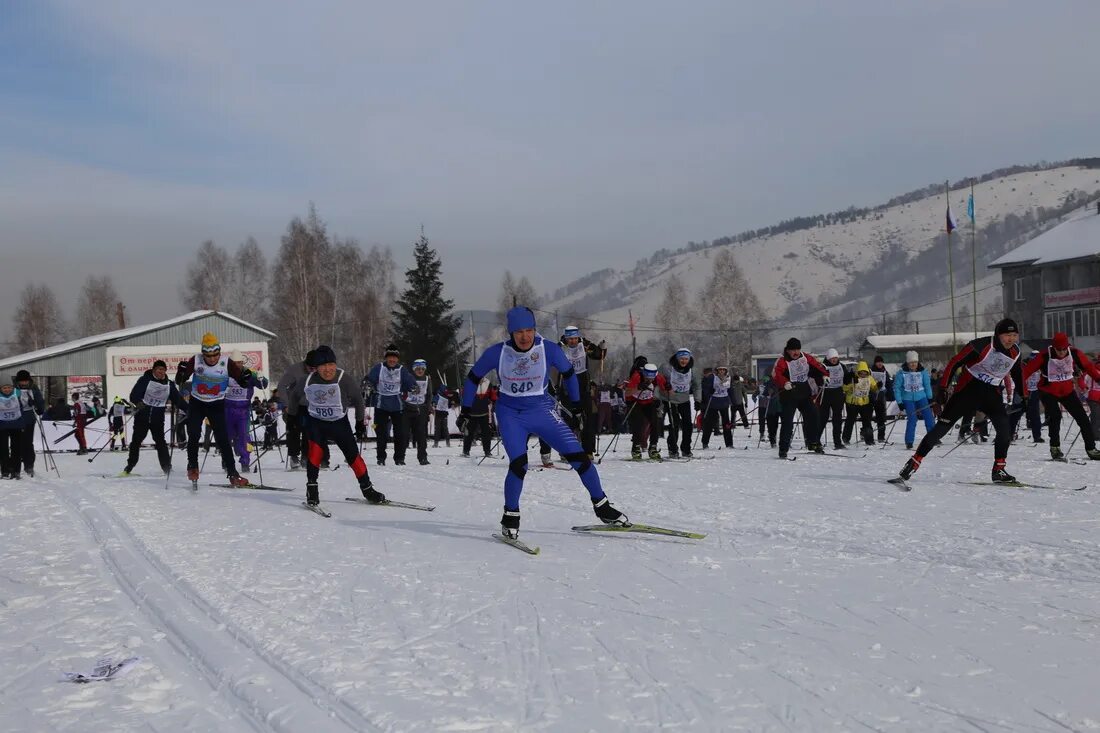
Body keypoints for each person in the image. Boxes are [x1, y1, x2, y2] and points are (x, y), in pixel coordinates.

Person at [460, 307, 628, 540]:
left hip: (541, 410)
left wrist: (578, 407)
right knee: (519, 464)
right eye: (519, 331)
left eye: (529, 330)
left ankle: (602, 506)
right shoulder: (497, 352)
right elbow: (472, 378)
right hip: (511, 414)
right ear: (511, 332)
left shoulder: (547, 348)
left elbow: (569, 373)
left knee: (579, 457)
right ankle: (511, 516)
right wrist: (466, 410)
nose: (525, 336)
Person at [898, 319, 1026, 484]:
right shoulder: (981, 345)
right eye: (1007, 335)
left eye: (1014, 335)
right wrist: (943, 389)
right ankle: (914, 462)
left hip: (992, 394)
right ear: (998, 335)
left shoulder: (1015, 352)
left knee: (1005, 430)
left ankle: (998, 470)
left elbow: (1018, 374)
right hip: (967, 392)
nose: (1011, 339)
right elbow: (954, 363)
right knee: (940, 430)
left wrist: (1025, 396)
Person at [287, 345, 383, 507]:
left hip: (339, 423)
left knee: (353, 457)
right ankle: (312, 490)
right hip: (316, 423)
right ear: (316, 368)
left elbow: (359, 400)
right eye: (323, 366)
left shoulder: (343, 378)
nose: (328, 369)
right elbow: (294, 396)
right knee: (315, 455)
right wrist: (292, 419)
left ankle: (368, 489)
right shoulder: (308, 380)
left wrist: (360, 422)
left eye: (331, 365)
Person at [174, 332, 258, 486]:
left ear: (219, 352)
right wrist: (180, 372)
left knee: (223, 439)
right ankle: (192, 466)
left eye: (215, 354)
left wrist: (246, 378)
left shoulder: (226, 362)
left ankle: (232, 473)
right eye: (208, 355)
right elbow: (180, 380)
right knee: (193, 433)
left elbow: (242, 381)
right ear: (203, 353)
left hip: (217, 405)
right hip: (197, 403)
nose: (212, 358)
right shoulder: (196, 360)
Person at [1021, 332, 1100, 461]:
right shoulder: (1044, 355)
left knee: (1083, 418)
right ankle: (1055, 447)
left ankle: (1091, 449)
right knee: (1055, 416)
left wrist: (1098, 378)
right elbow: (1025, 372)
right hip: (1048, 391)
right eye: (1059, 350)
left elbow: (1089, 367)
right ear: (1053, 347)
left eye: (1064, 349)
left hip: (1067, 392)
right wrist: (1023, 392)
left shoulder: (1075, 353)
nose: (1062, 352)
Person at [122, 360, 188, 476]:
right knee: (136, 442)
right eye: (158, 369)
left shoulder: (168, 384)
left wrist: (188, 409)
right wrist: (138, 402)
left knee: (161, 443)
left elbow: (177, 399)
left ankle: (167, 468)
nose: (161, 372)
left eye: (163, 370)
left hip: (157, 419)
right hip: (142, 417)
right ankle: (129, 467)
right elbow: (134, 394)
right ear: (154, 370)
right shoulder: (145, 380)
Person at [771, 337, 827, 458]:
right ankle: (783, 449)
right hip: (788, 394)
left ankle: (813, 442)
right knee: (788, 423)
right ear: (788, 351)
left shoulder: (805, 357)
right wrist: (784, 383)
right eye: (793, 350)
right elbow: (776, 374)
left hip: (804, 393)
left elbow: (817, 366)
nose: (796, 352)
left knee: (814, 415)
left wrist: (824, 375)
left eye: (797, 349)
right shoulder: (782, 360)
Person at [365, 345, 418, 466]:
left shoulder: (402, 370)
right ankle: (381, 458)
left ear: (397, 359)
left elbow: (410, 382)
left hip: (397, 405)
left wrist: (414, 387)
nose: (392, 360)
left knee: (400, 433)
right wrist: (367, 384)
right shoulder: (379, 367)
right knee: (381, 433)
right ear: (386, 358)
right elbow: (369, 379)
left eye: (394, 358)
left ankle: (399, 458)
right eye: (390, 358)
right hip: (381, 404)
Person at [559, 325, 606, 457]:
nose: (573, 342)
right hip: (567, 388)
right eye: (570, 339)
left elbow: (598, 355)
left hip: (583, 387)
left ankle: (588, 450)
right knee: (568, 419)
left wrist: (597, 347)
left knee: (588, 419)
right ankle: (567, 449)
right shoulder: (561, 347)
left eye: (575, 338)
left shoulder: (584, 345)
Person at [223, 350, 268, 475]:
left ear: (243, 362)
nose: (237, 365)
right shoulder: (225, 373)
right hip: (227, 410)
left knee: (244, 437)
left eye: (239, 362)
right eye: (235, 363)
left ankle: (245, 462)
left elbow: (263, 385)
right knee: (227, 437)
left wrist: (261, 378)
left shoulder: (249, 374)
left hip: (243, 411)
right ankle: (226, 462)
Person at [277, 351, 314, 470]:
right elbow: (281, 386)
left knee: (309, 432)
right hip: (294, 405)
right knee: (294, 430)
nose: (312, 370)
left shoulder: (319, 370)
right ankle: (293, 456)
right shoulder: (294, 370)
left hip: (310, 406)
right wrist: (287, 404)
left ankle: (306, 456)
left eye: (315, 368)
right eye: (310, 367)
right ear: (305, 364)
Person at [625, 362, 669, 460]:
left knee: (656, 422)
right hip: (635, 401)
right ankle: (636, 447)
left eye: (652, 378)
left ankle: (653, 447)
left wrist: (668, 387)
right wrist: (638, 387)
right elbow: (627, 393)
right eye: (647, 377)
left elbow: (667, 392)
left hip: (648, 402)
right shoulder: (637, 376)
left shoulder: (659, 378)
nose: (649, 380)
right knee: (638, 423)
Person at [662, 348, 700, 458]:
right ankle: (673, 450)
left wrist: (698, 400)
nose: (684, 361)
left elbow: (697, 386)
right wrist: (664, 390)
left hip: (684, 400)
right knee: (674, 424)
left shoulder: (692, 370)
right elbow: (659, 381)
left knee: (688, 424)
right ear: (677, 358)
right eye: (681, 358)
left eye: (686, 359)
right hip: (671, 400)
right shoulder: (668, 368)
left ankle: (686, 449)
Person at [894, 351, 936, 450]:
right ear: (907, 363)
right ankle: (909, 441)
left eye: (915, 362)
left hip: (922, 397)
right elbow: (897, 388)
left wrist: (930, 398)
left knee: (929, 417)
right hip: (908, 399)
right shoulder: (901, 373)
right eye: (911, 362)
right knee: (912, 419)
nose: (913, 364)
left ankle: (933, 438)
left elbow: (927, 386)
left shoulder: (923, 372)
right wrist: (899, 402)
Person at [13, 370, 44, 477]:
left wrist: (39, 408)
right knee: (18, 442)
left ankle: (29, 465)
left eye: (25, 381)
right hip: (17, 418)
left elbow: (39, 399)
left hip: (29, 417)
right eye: (22, 381)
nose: (24, 383)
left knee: (28, 442)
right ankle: (16, 466)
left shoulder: (33, 388)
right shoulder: (15, 389)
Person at [842, 362, 879, 446]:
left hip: (865, 403)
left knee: (867, 421)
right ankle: (846, 438)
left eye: (864, 373)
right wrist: (852, 385)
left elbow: (874, 388)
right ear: (858, 372)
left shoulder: (869, 378)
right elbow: (844, 388)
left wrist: (878, 386)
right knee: (850, 421)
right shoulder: (852, 377)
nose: (863, 374)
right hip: (852, 403)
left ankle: (869, 439)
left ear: (867, 372)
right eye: (861, 373)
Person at [403, 359, 432, 465]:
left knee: (421, 435)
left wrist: (428, 407)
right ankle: (401, 457)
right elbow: (403, 392)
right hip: (408, 408)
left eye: (422, 369)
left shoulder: (427, 379)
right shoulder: (408, 378)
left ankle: (423, 457)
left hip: (421, 409)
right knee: (404, 434)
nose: (420, 371)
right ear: (414, 369)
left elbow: (429, 394)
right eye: (418, 369)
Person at [818, 349, 848, 450]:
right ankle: (816, 441)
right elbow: (817, 377)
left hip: (838, 393)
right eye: (832, 358)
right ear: (828, 358)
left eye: (835, 358)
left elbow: (846, 379)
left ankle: (837, 442)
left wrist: (852, 377)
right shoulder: (823, 366)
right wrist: (821, 379)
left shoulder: (842, 366)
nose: (834, 360)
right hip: (826, 393)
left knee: (837, 419)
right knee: (823, 418)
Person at [459, 376, 496, 457]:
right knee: (469, 433)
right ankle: (466, 451)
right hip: (471, 413)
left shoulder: (488, 383)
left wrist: (494, 400)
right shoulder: (470, 382)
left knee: (486, 433)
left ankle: (487, 451)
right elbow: (464, 395)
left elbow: (493, 396)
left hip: (484, 413)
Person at [701, 365, 733, 449]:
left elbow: (730, 390)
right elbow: (705, 388)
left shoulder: (729, 378)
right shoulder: (713, 378)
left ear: (726, 371)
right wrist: (709, 392)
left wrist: (733, 401)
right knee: (709, 423)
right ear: (717, 371)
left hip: (724, 402)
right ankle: (705, 442)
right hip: (713, 402)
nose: (722, 371)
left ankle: (729, 443)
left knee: (726, 424)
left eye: (723, 370)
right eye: (720, 370)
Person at [0, 382, 25, 479]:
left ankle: (16, 470)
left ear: (12, 387)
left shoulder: (17, 394)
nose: (7, 390)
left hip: (16, 425)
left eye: (9, 387)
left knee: (16, 448)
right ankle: (5, 471)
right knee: (3, 449)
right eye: (4, 387)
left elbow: (22, 408)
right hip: (2, 425)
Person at [869, 355, 892, 442]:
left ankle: (881, 437)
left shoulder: (885, 371)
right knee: (868, 416)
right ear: (875, 363)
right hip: (872, 395)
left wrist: (891, 394)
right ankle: (867, 435)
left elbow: (889, 383)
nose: (880, 364)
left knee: (881, 417)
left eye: (881, 362)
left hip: (881, 395)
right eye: (878, 362)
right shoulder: (870, 370)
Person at [1081, 352, 1100, 441]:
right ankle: (1094, 434)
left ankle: (1095, 433)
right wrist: (1085, 389)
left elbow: (1084, 380)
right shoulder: (1092, 370)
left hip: (1092, 395)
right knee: (1096, 416)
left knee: (1096, 416)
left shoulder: (1092, 369)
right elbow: (1084, 380)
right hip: (1094, 396)